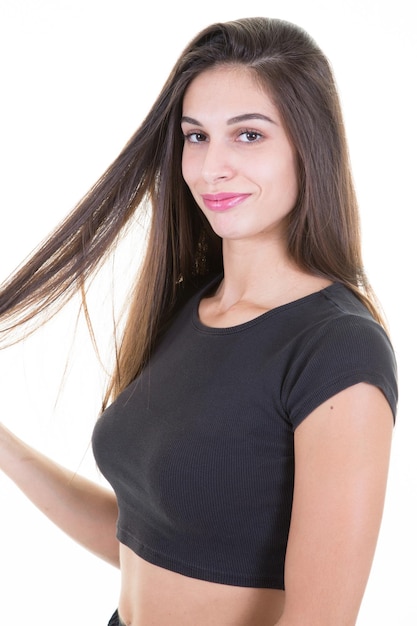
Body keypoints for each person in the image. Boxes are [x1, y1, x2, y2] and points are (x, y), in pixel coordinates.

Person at [0, 16, 397, 626]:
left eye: (248, 136)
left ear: (307, 146)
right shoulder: (189, 305)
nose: (211, 167)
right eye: (195, 136)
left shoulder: (337, 350)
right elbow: (143, 537)